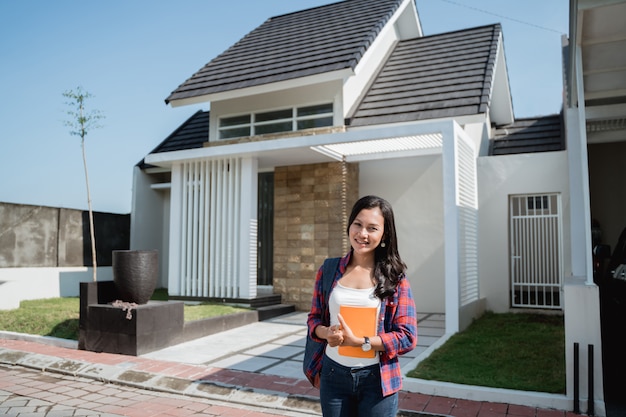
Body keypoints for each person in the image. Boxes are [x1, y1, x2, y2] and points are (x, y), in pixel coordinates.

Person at [306, 195, 417, 417]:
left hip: (377, 379)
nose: (362, 234)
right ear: (349, 225)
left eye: (372, 228)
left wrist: (361, 342)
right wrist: (326, 332)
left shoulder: (395, 278)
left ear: (384, 234)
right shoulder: (328, 270)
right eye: (357, 224)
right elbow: (314, 319)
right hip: (333, 374)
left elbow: (407, 336)